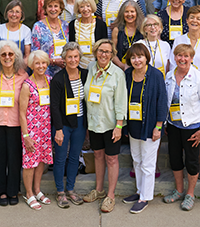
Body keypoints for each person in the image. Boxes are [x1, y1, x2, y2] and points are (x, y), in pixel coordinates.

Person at [163, 44, 200, 212]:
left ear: (192, 58)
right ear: (174, 57)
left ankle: (190, 194)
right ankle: (179, 190)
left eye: (186, 56)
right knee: (175, 159)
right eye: (179, 55)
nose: (182, 59)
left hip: (193, 128)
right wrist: (165, 123)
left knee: (192, 162)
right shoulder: (169, 77)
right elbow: (166, 102)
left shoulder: (199, 78)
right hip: (173, 126)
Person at [82, 39, 128, 213]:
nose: (104, 54)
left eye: (108, 52)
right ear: (95, 52)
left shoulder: (117, 74)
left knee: (112, 158)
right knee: (98, 155)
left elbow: (121, 102)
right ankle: (99, 190)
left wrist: (119, 125)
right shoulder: (91, 68)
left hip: (110, 123)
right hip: (94, 123)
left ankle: (110, 195)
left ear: (112, 54)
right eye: (101, 51)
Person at [122, 43, 168, 214]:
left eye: (140, 56)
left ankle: (145, 197)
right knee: (137, 160)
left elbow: (162, 102)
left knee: (148, 164)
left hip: (150, 126)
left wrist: (159, 126)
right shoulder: (127, 74)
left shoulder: (156, 75)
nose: (137, 60)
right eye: (133, 57)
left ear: (146, 57)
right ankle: (139, 191)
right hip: (133, 125)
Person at [0, 40, 29, 206]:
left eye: (10, 54)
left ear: (16, 56)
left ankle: (13, 191)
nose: (7, 57)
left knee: (14, 158)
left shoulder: (23, 77)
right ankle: (0, 191)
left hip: (16, 123)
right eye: (3, 54)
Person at [50, 42, 89, 208]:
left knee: (74, 157)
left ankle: (71, 189)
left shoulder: (86, 75)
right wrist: (58, 129)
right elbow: (54, 107)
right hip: (63, 124)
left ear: (79, 57)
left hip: (80, 122)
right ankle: (60, 192)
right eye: (69, 57)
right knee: (60, 158)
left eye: (76, 56)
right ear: (64, 58)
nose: (73, 60)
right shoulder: (58, 79)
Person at [19, 50, 54, 210]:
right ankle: (29, 193)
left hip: (45, 129)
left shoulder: (49, 80)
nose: (41, 66)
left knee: (41, 161)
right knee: (30, 163)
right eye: (37, 63)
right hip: (31, 131)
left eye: (44, 62)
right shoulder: (27, 85)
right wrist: (26, 135)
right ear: (32, 65)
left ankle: (38, 190)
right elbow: (21, 112)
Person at [169, 5, 200, 82]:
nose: (194, 20)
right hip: (181, 83)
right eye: (192, 17)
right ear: (187, 20)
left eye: (198, 19)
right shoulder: (178, 40)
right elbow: (173, 64)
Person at [30, 0, 69, 79]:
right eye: (50, 6)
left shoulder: (66, 26)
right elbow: (35, 53)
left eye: (56, 6)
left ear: (60, 8)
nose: (53, 9)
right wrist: (53, 61)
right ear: (45, 9)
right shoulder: (38, 27)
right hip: (45, 72)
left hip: (64, 72)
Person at [68, 0, 108, 68]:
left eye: (88, 6)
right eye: (82, 7)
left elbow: (105, 48)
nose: (85, 9)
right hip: (77, 66)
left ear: (92, 6)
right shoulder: (72, 25)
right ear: (78, 9)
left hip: (97, 66)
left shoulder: (101, 25)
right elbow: (71, 47)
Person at [111, 0, 144, 68]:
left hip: (140, 67)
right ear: (122, 14)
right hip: (120, 68)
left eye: (132, 11)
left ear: (137, 13)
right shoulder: (116, 30)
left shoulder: (142, 30)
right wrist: (122, 66)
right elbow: (112, 52)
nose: (129, 14)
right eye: (126, 12)